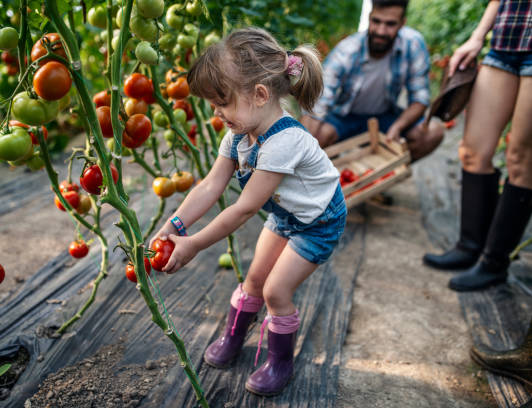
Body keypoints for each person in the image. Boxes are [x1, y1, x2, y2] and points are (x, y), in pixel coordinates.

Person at [150, 27, 346, 396]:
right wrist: (174, 224)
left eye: (222, 102)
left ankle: (279, 362)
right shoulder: (239, 134)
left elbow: (244, 209)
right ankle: (233, 338)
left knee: (275, 291)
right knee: (254, 279)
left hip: (319, 223)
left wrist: (193, 244)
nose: (216, 112)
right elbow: (210, 185)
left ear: (259, 95)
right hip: (288, 216)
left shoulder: (284, 142)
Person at [422, 0, 532, 292]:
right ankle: (470, 246)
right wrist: (477, 36)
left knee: (521, 160)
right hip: (505, 43)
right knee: (472, 152)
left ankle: (493, 263)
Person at [300, 0, 445, 162]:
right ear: (369, 17)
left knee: (433, 131)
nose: (381, 31)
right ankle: (327, 176)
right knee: (317, 136)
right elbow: (319, 100)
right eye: (376, 21)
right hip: (346, 117)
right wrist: (302, 146)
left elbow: (420, 99)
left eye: (390, 24)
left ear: (402, 23)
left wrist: (397, 128)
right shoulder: (347, 51)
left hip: (384, 117)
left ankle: (383, 171)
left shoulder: (413, 44)